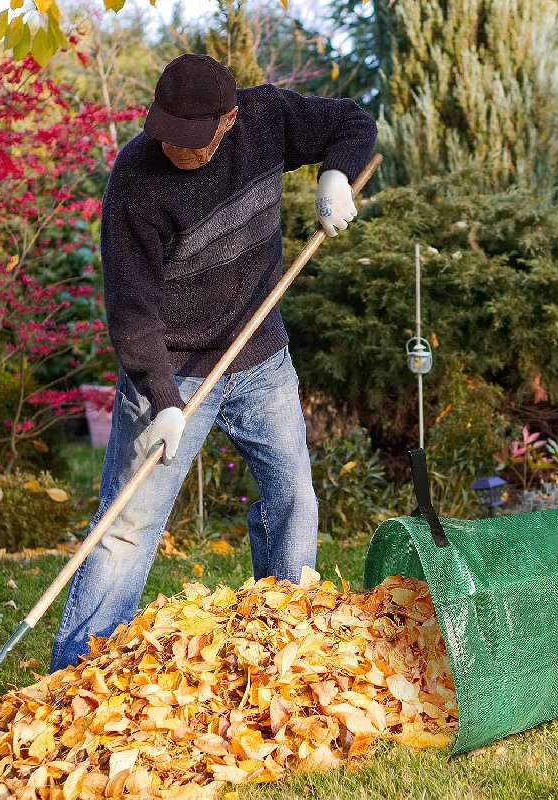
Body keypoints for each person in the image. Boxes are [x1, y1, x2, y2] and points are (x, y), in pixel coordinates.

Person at [50, 53, 377, 671]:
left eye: (192, 139)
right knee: (125, 527)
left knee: (294, 498)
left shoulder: (268, 118)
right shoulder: (136, 180)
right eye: (167, 134)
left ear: (230, 119)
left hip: (261, 357)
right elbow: (131, 308)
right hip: (171, 368)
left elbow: (352, 122)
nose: (176, 149)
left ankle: (289, 641)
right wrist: (161, 398)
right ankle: (73, 678)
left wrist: (335, 177)